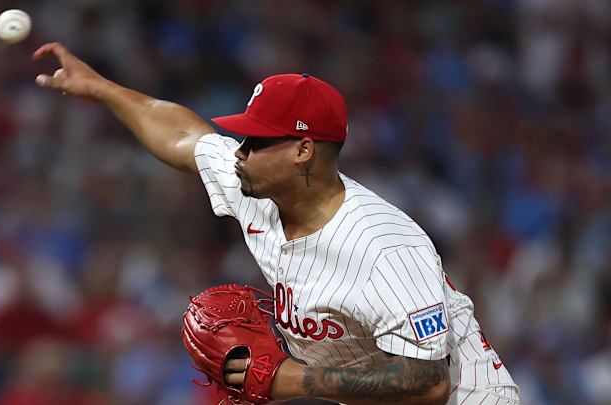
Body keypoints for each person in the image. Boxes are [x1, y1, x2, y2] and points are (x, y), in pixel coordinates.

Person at [33, 42, 520, 405]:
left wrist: (293, 378)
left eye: (255, 141)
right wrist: (100, 88)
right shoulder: (262, 187)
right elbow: (185, 136)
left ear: (303, 151)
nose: (239, 153)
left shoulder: (383, 246)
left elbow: (428, 381)